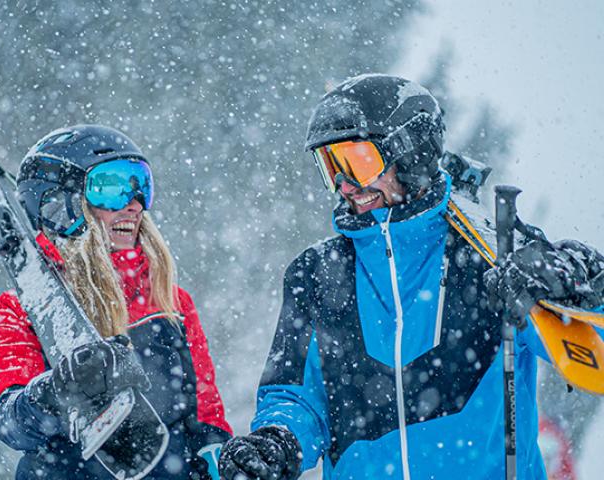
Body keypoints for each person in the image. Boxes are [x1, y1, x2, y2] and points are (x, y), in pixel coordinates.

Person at [218, 74, 604, 479]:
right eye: (331, 166)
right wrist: (278, 439)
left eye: (356, 161)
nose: (345, 185)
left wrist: (583, 284)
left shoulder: (491, 260)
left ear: (411, 154)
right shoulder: (317, 274)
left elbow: (591, 347)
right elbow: (297, 396)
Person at [0, 125, 232, 479]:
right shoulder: (21, 308)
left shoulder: (170, 299)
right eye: (112, 188)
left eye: (140, 185)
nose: (133, 204)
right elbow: (10, 423)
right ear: (59, 206)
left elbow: (206, 417)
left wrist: (222, 461)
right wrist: (54, 394)